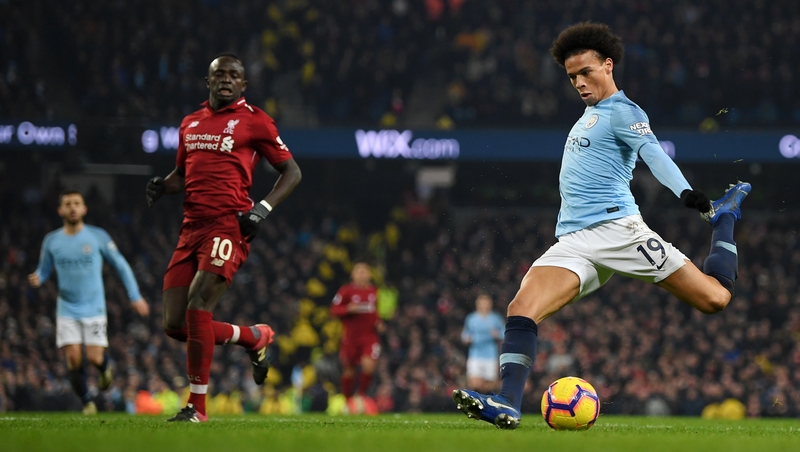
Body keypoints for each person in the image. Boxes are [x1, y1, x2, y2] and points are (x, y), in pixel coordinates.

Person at [452, 22, 751, 429]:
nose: (578, 82)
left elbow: (654, 154)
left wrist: (686, 193)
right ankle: (506, 401)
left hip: (619, 232)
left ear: (608, 65)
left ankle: (724, 217)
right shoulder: (590, 115)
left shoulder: (624, 111)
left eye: (585, 72)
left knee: (715, 299)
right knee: (521, 308)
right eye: (572, 76)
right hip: (574, 240)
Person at [145, 53, 302, 422]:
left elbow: (292, 172)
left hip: (228, 224)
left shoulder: (255, 121)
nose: (226, 80)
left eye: (234, 75)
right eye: (220, 75)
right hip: (191, 227)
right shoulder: (190, 123)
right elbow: (182, 175)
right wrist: (161, 186)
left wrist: (262, 208)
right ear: (209, 81)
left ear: (243, 84)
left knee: (199, 303)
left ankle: (196, 408)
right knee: (175, 324)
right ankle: (252, 337)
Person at [29, 190, 150, 415]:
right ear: (60, 210)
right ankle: (87, 402)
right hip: (66, 307)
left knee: (94, 357)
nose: (72, 207)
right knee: (73, 359)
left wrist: (135, 296)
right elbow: (44, 269)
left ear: (84, 209)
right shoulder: (52, 240)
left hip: (93, 306)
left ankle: (105, 370)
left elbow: (121, 265)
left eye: (77, 203)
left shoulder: (97, 236)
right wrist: (39, 277)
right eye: (68, 204)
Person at [330, 263, 385, 399]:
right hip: (351, 338)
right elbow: (334, 310)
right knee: (349, 371)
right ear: (353, 275)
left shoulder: (374, 292)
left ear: (370, 275)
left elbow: (374, 312)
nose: (362, 274)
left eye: (365, 271)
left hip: (369, 337)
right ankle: (347, 399)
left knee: (369, 366)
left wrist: (378, 323)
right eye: (359, 271)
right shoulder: (345, 291)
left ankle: (361, 395)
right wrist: (347, 309)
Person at [461, 294, 504, 393]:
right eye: (481, 303)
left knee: (488, 386)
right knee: (474, 384)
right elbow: (464, 335)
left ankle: (484, 406)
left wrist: (497, 334)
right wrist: (467, 338)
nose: (483, 305)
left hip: (490, 355)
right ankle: (476, 406)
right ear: (477, 304)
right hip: (475, 354)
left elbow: (504, 333)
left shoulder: (495, 318)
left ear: (490, 304)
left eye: (486, 303)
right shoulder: (471, 318)